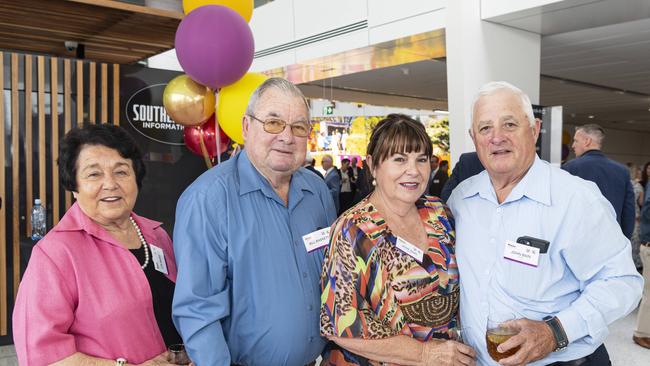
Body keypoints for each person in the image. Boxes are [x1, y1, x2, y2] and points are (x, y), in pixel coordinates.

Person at [447, 81, 642, 366]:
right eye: (485, 128)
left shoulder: (575, 199)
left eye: (509, 124)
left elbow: (622, 282)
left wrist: (555, 331)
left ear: (535, 130)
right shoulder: (462, 199)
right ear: (473, 138)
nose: (496, 137)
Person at [172, 78, 337, 366]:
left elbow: (335, 278)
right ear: (246, 127)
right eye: (273, 123)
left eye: (299, 127)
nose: (287, 137)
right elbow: (198, 311)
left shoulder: (318, 191)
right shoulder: (208, 199)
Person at [13, 124, 181, 365]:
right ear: (74, 186)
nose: (110, 184)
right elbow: (42, 355)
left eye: (121, 171)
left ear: (137, 177)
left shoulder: (157, 235)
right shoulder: (55, 254)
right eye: (94, 174)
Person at [320, 114, 476, 366]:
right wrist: (424, 354)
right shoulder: (353, 229)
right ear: (373, 164)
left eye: (421, 159)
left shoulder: (439, 213)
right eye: (399, 159)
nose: (413, 171)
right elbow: (337, 324)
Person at [562, 124, 635, 239]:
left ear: (587, 141)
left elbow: (561, 208)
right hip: (612, 240)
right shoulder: (622, 171)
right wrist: (623, 241)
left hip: (577, 240)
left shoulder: (569, 168)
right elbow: (628, 212)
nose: (572, 146)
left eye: (576, 141)